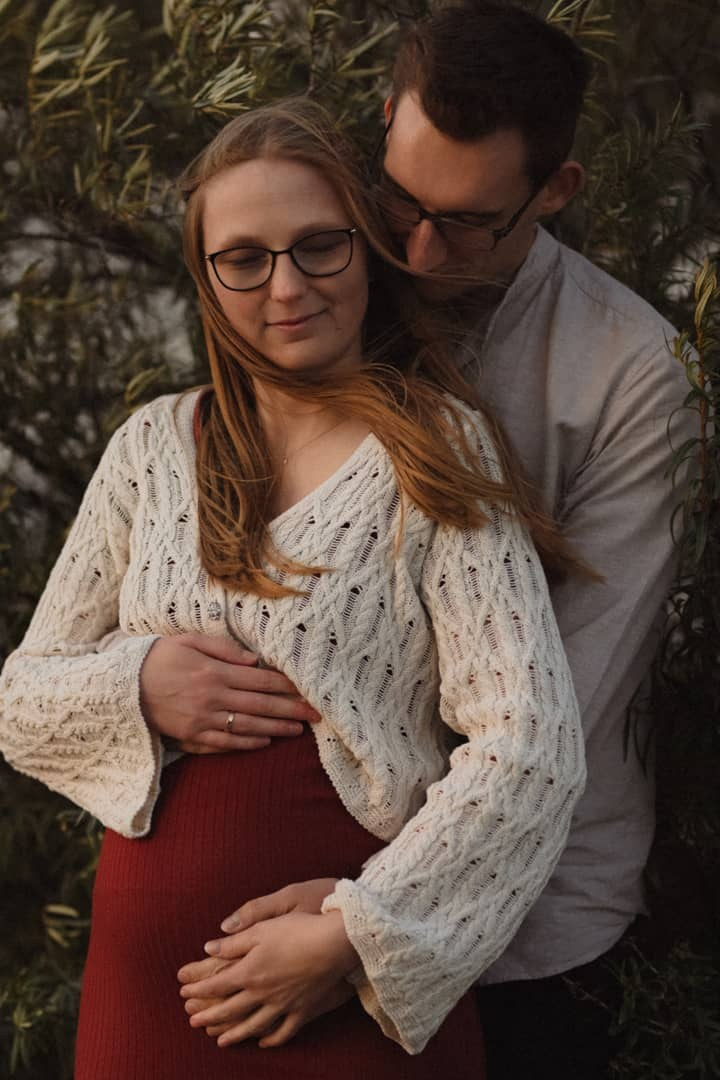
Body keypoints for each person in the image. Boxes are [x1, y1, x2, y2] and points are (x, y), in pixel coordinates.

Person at [0, 97, 586, 1078]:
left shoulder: (435, 453)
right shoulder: (150, 450)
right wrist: (136, 683)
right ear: (205, 276)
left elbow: (532, 747)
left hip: (352, 1002)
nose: (287, 286)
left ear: (366, 251)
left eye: (319, 246)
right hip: (146, 1012)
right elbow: (21, 699)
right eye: (244, 258)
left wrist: (357, 933)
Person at [182, 6, 694, 1077]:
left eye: (465, 223)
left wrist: (367, 915)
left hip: (529, 933)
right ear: (384, 124)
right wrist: (140, 673)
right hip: (288, 913)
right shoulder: (323, 280)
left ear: (554, 190)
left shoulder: (631, 375)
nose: (417, 249)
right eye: (401, 201)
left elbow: (568, 701)